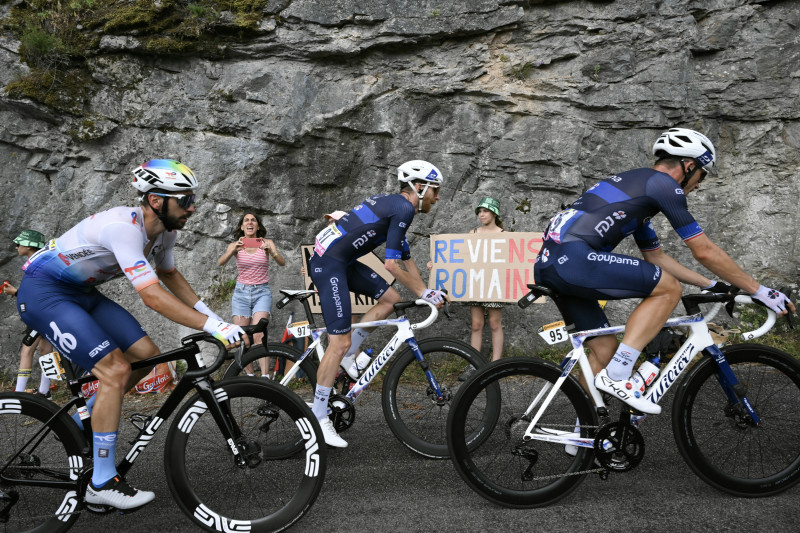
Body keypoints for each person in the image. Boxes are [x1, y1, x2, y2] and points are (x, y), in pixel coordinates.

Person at [14, 159, 246, 511]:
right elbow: (151, 295)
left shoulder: (165, 231)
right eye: (185, 200)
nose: (192, 207)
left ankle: (83, 421)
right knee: (116, 370)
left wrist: (217, 318)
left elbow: (168, 275)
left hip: (81, 294)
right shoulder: (123, 227)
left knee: (146, 357)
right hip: (44, 293)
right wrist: (213, 328)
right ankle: (102, 481)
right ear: (156, 201)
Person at [534, 128, 794, 415]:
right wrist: (760, 291)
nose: (698, 184)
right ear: (689, 165)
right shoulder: (662, 185)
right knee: (668, 288)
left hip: (551, 265)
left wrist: (710, 284)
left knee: (604, 349)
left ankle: (588, 433)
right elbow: (704, 250)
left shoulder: (637, 189)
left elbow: (655, 257)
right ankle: (619, 376)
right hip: (575, 260)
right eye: (702, 175)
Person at [308, 159, 447, 447]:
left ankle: (348, 357)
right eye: (435, 190)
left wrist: (425, 289)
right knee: (339, 342)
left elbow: (406, 259)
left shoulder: (396, 206)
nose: (437, 197)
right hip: (328, 264)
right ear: (419, 188)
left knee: (391, 299)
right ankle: (318, 416)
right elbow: (393, 265)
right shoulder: (404, 208)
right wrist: (424, 293)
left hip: (341, 260)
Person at [217, 213, 285, 376]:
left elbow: (282, 262)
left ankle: (265, 377)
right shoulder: (235, 245)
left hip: (262, 292)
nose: (249, 222)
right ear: (242, 227)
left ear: (258, 227)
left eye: (253, 220)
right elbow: (221, 262)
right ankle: (250, 376)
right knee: (242, 336)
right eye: (246, 220)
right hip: (241, 293)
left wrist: (272, 252)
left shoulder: (267, 243)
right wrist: (232, 250)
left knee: (259, 335)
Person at [2, 230, 55, 397]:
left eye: (19, 243)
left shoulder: (36, 263)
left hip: (41, 313)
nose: (17, 246)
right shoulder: (43, 260)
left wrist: (16, 293)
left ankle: (19, 394)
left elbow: (37, 292)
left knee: (26, 350)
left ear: (29, 245)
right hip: (49, 311)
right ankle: (45, 391)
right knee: (46, 350)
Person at [466, 197, 506, 362]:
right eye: (480, 212)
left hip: (495, 284)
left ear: (494, 213)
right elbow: (461, 257)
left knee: (495, 323)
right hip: (476, 283)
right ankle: (474, 364)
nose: (481, 215)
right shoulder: (472, 234)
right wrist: (439, 264)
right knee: (476, 324)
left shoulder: (505, 235)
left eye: (485, 211)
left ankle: (495, 364)